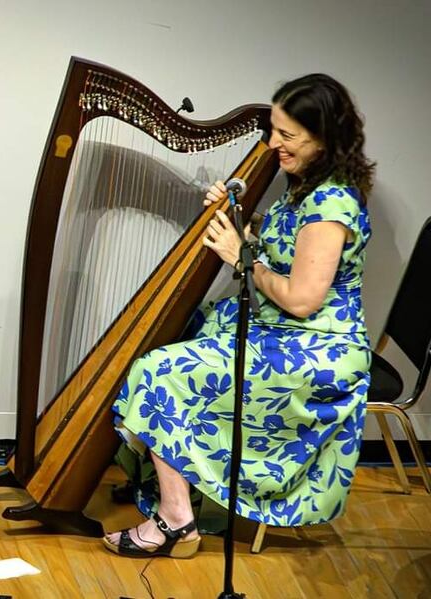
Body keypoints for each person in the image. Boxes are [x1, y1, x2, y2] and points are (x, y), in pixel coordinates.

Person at [102, 73, 375, 558]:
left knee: (159, 371)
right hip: (284, 333)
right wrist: (237, 221)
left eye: (287, 135)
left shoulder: (331, 204)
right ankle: (170, 478)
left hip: (315, 352)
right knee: (187, 328)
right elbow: (285, 248)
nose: (274, 144)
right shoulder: (306, 187)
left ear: (324, 138)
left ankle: (176, 520)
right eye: (274, 131)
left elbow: (301, 299)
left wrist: (240, 257)